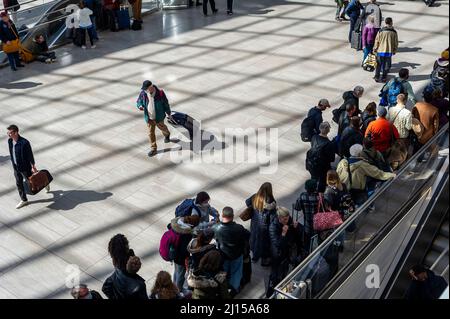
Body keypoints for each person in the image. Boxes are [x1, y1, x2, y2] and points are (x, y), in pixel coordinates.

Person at [7, 125, 48, 209]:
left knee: (33, 181)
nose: (8, 134)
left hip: (25, 167)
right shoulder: (10, 141)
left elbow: (30, 155)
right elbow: (12, 153)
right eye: (8, 133)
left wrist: (33, 166)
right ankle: (24, 200)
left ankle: (45, 183)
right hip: (16, 167)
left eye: (10, 133)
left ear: (16, 132)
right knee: (19, 183)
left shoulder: (24, 142)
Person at [212, 206, 250, 296]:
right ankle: (234, 290)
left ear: (222, 215)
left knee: (223, 273)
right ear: (232, 216)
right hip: (236, 255)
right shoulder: (239, 228)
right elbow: (248, 235)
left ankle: (224, 289)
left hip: (223, 255)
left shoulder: (216, 228)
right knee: (236, 273)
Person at [266, 207, 303, 298]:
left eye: (288, 218)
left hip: (288, 252)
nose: (287, 220)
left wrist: (296, 227)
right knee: (275, 275)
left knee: (284, 272)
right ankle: (270, 294)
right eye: (285, 219)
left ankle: (281, 289)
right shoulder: (273, 227)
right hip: (277, 254)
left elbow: (299, 233)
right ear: (280, 218)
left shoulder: (289, 220)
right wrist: (283, 233)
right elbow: (278, 244)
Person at [136, 80, 172, 157]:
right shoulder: (143, 93)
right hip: (149, 118)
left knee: (163, 128)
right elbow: (139, 101)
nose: (145, 90)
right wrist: (140, 106)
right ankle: (153, 149)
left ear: (151, 87)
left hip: (159, 117)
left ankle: (167, 134)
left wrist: (169, 113)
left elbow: (166, 104)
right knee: (150, 133)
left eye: (147, 88)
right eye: (144, 89)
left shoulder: (160, 93)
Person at [245, 182, 277, 266]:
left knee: (255, 239)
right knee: (264, 243)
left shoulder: (255, 197)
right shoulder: (271, 202)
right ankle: (264, 260)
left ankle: (255, 257)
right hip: (265, 226)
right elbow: (273, 217)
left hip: (255, 223)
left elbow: (247, 202)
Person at [170, 215, 200, 292]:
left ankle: (174, 285)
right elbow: (184, 250)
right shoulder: (186, 234)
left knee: (176, 271)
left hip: (175, 255)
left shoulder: (179, 225)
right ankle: (178, 290)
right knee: (180, 274)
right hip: (180, 258)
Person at [308, 122, 336, 193]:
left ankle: (312, 190)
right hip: (323, 168)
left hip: (312, 164)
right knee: (322, 182)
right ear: (328, 130)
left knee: (314, 178)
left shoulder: (314, 137)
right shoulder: (329, 144)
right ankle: (320, 194)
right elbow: (332, 159)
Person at [294, 179, 320, 253]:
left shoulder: (303, 196)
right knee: (318, 238)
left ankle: (307, 253)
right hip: (319, 224)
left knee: (307, 241)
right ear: (315, 188)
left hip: (308, 225)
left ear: (306, 188)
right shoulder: (319, 197)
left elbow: (297, 207)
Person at [373, 17, 398, 83]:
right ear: (391, 22)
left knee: (378, 64)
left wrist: (375, 48)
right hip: (389, 51)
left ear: (385, 22)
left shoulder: (381, 31)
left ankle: (377, 76)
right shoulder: (394, 32)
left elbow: (377, 40)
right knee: (386, 65)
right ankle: (384, 77)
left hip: (380, 50)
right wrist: (395, 50)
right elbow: (396, 42)